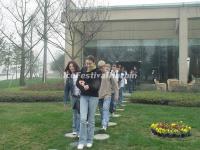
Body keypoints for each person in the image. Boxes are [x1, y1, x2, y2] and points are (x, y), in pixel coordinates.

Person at [76, 55, 102, 150]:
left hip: (93, 97)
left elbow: (97, 85)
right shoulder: (83, 70)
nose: (87, 65)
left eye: (89, 63)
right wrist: (83, 86)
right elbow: (78, 82)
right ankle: (82, 141)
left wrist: (89, 86)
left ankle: (90, 140)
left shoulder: (98, 71)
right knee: (83, 119)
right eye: (86, 63)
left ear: (94, 62)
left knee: (91, 119)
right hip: (83, 96)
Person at [98, 61, 119, 131]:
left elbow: (115, 85)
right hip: (99, 96)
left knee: (105, 109)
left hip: (107, 95)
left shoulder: (109, 74)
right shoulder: (97, 75)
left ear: (105, 66)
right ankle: (105, 122)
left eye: (102, 67)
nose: (101, 68)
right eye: (100, 67)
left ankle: (104, 125)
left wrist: (116, 95)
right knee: (101, 111)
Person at [64, 61, 80, 136]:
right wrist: (65, 101)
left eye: (72, 66)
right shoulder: (69, 77)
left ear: (75, 66)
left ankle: (79, 130)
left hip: (81, 97)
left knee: (80, 114)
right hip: (73, 97)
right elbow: (66, 89)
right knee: (74, 114)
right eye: (70, 67)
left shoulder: (81, 74)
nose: (71, 68)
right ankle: (74, 129)